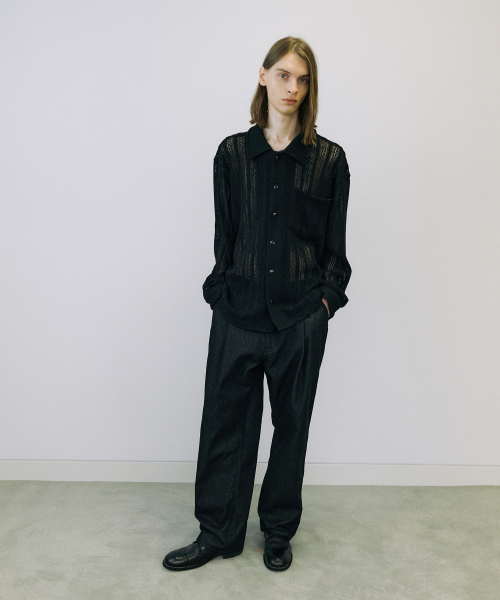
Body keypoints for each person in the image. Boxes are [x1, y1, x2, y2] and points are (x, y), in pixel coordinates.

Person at [163, 36, 351, 572]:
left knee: (292, 426)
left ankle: (277, 531)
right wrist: (220, 293)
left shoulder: (329, 159)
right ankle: (217, 533)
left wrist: (323, 303)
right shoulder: (232, 154)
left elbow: (334, 249)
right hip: (238, 312)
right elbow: (225, 238)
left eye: (303, 79)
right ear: (263, 75)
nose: (293, 88)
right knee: (224, 425)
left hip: (299, 318)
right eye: (284, 75)